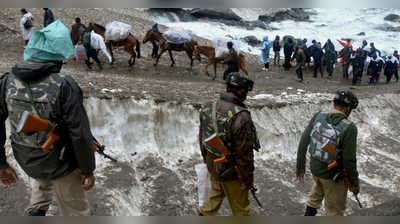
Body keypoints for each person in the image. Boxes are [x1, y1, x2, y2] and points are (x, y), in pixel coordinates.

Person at [0, 20, 96, 216]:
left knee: (44, 172)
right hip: (59, 163)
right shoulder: (65, 85)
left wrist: (2, 164)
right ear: (60, 54)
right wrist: (88, 170)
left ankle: (37, 210)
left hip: (26, 158)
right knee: (76, 212)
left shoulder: (7, 81)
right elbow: (80, 133)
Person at [198, 72, 260, 216]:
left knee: (216, 194)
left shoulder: (209, 106)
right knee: (241, 210)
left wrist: (206, 159)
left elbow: (202, 137)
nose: (246, 96)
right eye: (245, 93)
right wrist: (247, 180)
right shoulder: (241, 116)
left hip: (214, 165)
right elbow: (244, 153)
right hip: (232, 173)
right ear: (240, 91)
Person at [296, 90, 360, 216]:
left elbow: (303, 142)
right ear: (348, 108)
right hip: (332, 176)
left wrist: (300, 166)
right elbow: (349, 160)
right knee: (334, 212)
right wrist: (354, 183)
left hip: (315, 169)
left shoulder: (319, 116)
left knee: (316, 194)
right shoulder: (349, 128)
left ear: (334, 104)